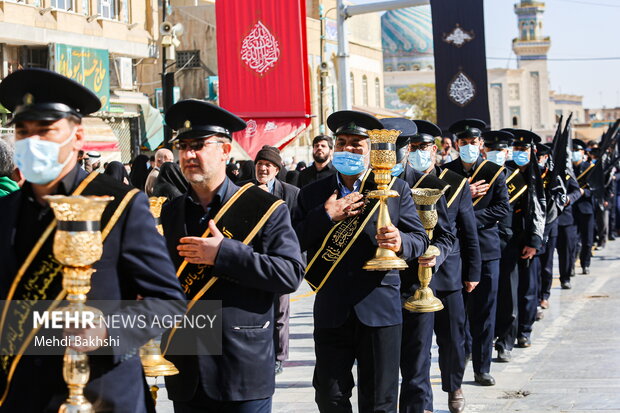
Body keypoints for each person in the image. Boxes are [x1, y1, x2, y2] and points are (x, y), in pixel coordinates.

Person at [0, 68, 186, 412]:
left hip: (102, 394)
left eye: (46, 130)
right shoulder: (6, 210)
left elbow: (167, 301)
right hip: (22, 393)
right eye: (23, 132)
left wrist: (107, 333)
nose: (32, 142)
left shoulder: (119, 205)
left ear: (78, 136)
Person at [160, 99, 304, 412]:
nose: (188, 155)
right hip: (186, 367)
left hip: (240, 366)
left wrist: (224, 253)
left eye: (198, 145)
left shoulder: (264, 208)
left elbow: (290, 272)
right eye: (182, 146)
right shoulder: (171, 211)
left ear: (225, 151)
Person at [293, 110, 430, 413]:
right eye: (342, 143)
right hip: (332, 308)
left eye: (357, 144)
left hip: (379, 306)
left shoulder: (395, 189)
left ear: (371, 151)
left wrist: (400, 242)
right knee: (329, 397)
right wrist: (326, 217)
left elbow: (420, 239)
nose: (348, 149)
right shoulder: (313, 193)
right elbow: (293, 240)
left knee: (380, 400)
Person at [382, 118, 461, 413]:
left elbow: (446, 234)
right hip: (376, 289)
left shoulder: (428, 184)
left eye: (397, 150)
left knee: (417, 365)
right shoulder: (368, 183)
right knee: (383, 366)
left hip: (416, 285)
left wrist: (437, 252)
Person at [444, 120, 510, 380]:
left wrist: (469, 216)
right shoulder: (445, 172)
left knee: (484, 310)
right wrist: (463, 198)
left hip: (486, 248)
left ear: (481, 145)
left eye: (473, 143)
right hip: (456, 250)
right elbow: (439, 209)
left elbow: (502, 208)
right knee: (459, 312)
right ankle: (464, 355)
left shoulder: (494, 171)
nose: (469, 147)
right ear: (456, 144)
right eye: (464, 143)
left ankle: (482, 368)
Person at [246, 144, 300, 374]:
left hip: (279, 261)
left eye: (268, 165)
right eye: (260, 164)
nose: (263, 169)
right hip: (251, 261)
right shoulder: (243, 191)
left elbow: (299, 228)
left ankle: (279, 356)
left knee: (280, 312)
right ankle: (255, 354)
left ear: (277, 170)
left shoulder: (290, 193)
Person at [494, 130, 546, 355]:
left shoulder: (540, 174)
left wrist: (534, 241)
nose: (519, 153)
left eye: (524, 149)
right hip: (506, 238)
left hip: (529, 238)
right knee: (508, 291)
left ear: (532, 151)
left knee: (528, 288)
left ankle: (524, 331)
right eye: (516, 149)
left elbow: (543, 210)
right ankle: (505, 338)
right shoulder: (506, 171)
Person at [249, 145, 300, 211]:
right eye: (259, 163)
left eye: (268, 165)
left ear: (276, 170)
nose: (262, 168)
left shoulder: (292, 193)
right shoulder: (241, 188)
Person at [572, 139, 595, 274]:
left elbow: (596, 189)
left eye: (577, 151)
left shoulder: (589, 168)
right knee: (572, 239)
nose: (575, 153)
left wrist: (583, 192)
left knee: (587, 240)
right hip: (572, 208)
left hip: (586, 208)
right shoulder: (567, 168)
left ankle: (585, 264)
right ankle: (571, 264)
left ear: (582, 152)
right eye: (573, 151)